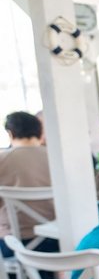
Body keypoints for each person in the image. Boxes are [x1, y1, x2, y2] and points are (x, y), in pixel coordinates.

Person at [0, 111, 58, 265]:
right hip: (56, 239)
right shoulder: (57, 157)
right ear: (40, 132)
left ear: (10, 133)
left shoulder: (2, 160)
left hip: (14, 243)